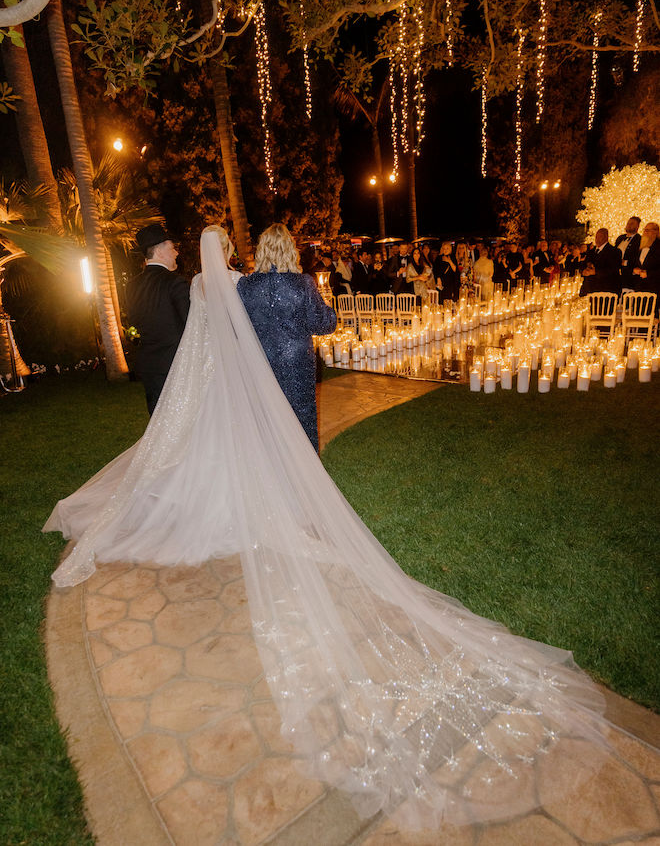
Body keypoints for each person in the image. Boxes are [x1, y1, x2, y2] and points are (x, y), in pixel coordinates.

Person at [45, 226, 627, 834]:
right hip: (294, 374)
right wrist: (315, 310)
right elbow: (324, 323)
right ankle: (301, 498)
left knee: (268, 442)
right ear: (290, 253)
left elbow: (226, 334)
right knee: (301, 439)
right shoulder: (298, 284)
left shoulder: (241, 293)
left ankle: (281, 491)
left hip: (255, 377)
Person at [237, 224, 336, 452]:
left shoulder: (245, 286)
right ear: (290, 249)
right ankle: (306, 468)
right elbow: (322, 324)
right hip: (296, 362)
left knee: (265, 416)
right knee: (301, 415)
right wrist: (330, 309)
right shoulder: (303, 283)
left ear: (262, 249)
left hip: (260, 362)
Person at [126, 223, 190, 415]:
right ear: (160, 251)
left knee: (157, 424)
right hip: (176, 364)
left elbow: (134, 320)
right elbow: (191, 323)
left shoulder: (132, 285)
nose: (176, 253)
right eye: (172, 248)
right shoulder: (175, 282)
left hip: (149, 365)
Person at [580, 228, 621, 296]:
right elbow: (583, 264)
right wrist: (584, 271)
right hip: (589, 289)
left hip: (605, 290)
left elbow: (613, 270)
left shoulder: (614, 251)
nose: (597, 239)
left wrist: (595, 272)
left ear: (606, 237)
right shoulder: (591, 251)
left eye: (600, 236)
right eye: (596, 236)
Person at [632, 221, 660, 309]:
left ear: (655, 232)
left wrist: (649, 274)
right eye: (644, 230)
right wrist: (634, 270)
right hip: (639, 288)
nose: (645, 233)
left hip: (654, 288)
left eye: (648, 230)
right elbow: (634, 263)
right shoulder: (640, 246)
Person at [615, 216, 642, 292]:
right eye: (628, 223)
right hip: (617, 275)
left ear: (637, 226)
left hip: (629, 276)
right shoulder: (620, 238)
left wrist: (625, 262)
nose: (629, 225)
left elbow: (639, 257)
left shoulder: (639, 240)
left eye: (632, 223)